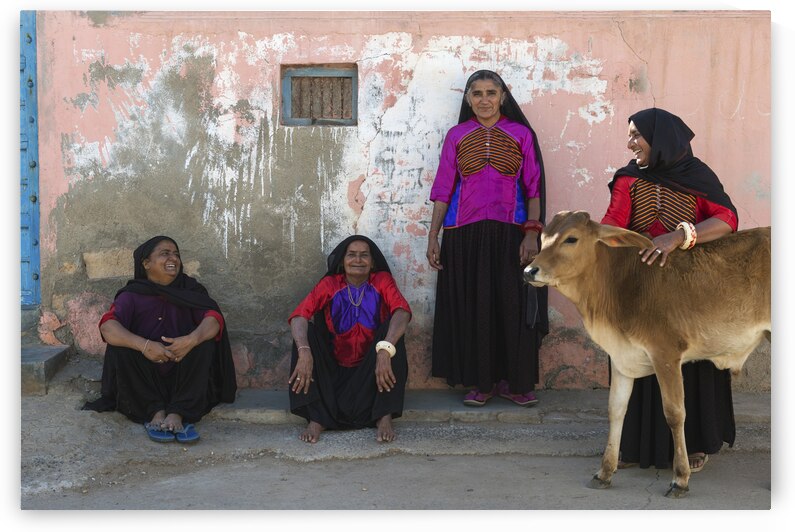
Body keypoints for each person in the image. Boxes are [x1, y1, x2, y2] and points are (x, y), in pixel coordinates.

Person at [601, 107, 739, 472]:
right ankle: (636, 445)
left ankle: (696, 442)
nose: (630, 143)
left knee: (689, 359)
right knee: (641, 356)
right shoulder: (628, 179)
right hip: (642, 286)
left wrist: (678, 236)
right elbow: (613, 224)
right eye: (629, 136)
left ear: (659, 138)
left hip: (690, 289)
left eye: (636, 135)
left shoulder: (698, 176)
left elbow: (727, 219)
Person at [427, 69, 548, 407]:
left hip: (512, 233)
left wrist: (531, 234)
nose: (484, 100)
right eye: (477, 93)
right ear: (468, 99)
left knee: (512, 306)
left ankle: (516, 383)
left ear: (502, 97)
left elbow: (533, 188)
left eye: (491, 93)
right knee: (474, 307)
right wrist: (433, 236)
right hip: (463, 234)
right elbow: (443, 189)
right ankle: (482, 384)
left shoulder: (521, 134)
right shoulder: (457, 135)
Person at [82, 236, 237, 443]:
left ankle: (178, 412)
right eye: (165, 254)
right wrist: (144, 346)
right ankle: (155, 411)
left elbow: (214, 319)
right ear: (146, 263)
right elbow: (108, 327)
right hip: (144, 377)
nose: (173, 258)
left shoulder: (191, 290)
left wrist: (191, 340)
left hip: (183, 374)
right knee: (121, 345)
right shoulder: (131, 295)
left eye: (176, 254)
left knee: (204, 342)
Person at [288, 235, 411, 444]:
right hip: (334, 371)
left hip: (371, 370)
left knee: (392, 335)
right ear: (342, 261)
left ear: (372, 262)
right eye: (351, 255)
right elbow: (299, 315)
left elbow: (402, 311)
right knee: (305, 334)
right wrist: (304, 351)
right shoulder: (330, 284)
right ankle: (317, 418)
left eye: (364, 255)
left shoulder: (381, 281)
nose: (358, 260)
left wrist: (384, 350)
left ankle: (384, 415)